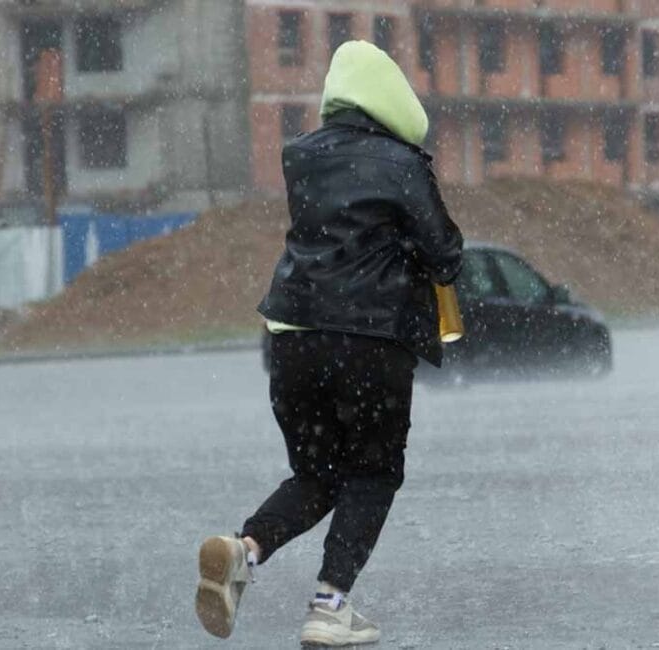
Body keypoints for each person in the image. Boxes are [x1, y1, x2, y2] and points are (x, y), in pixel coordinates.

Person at [194, 40, 463, 646]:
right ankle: (329, 604)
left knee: (316, 474)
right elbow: (443, 247)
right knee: (373, 472)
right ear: (394, 97)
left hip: (293, 339)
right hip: (369, 340)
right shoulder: (403, 162)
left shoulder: (302, 156)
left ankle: (244, 551)